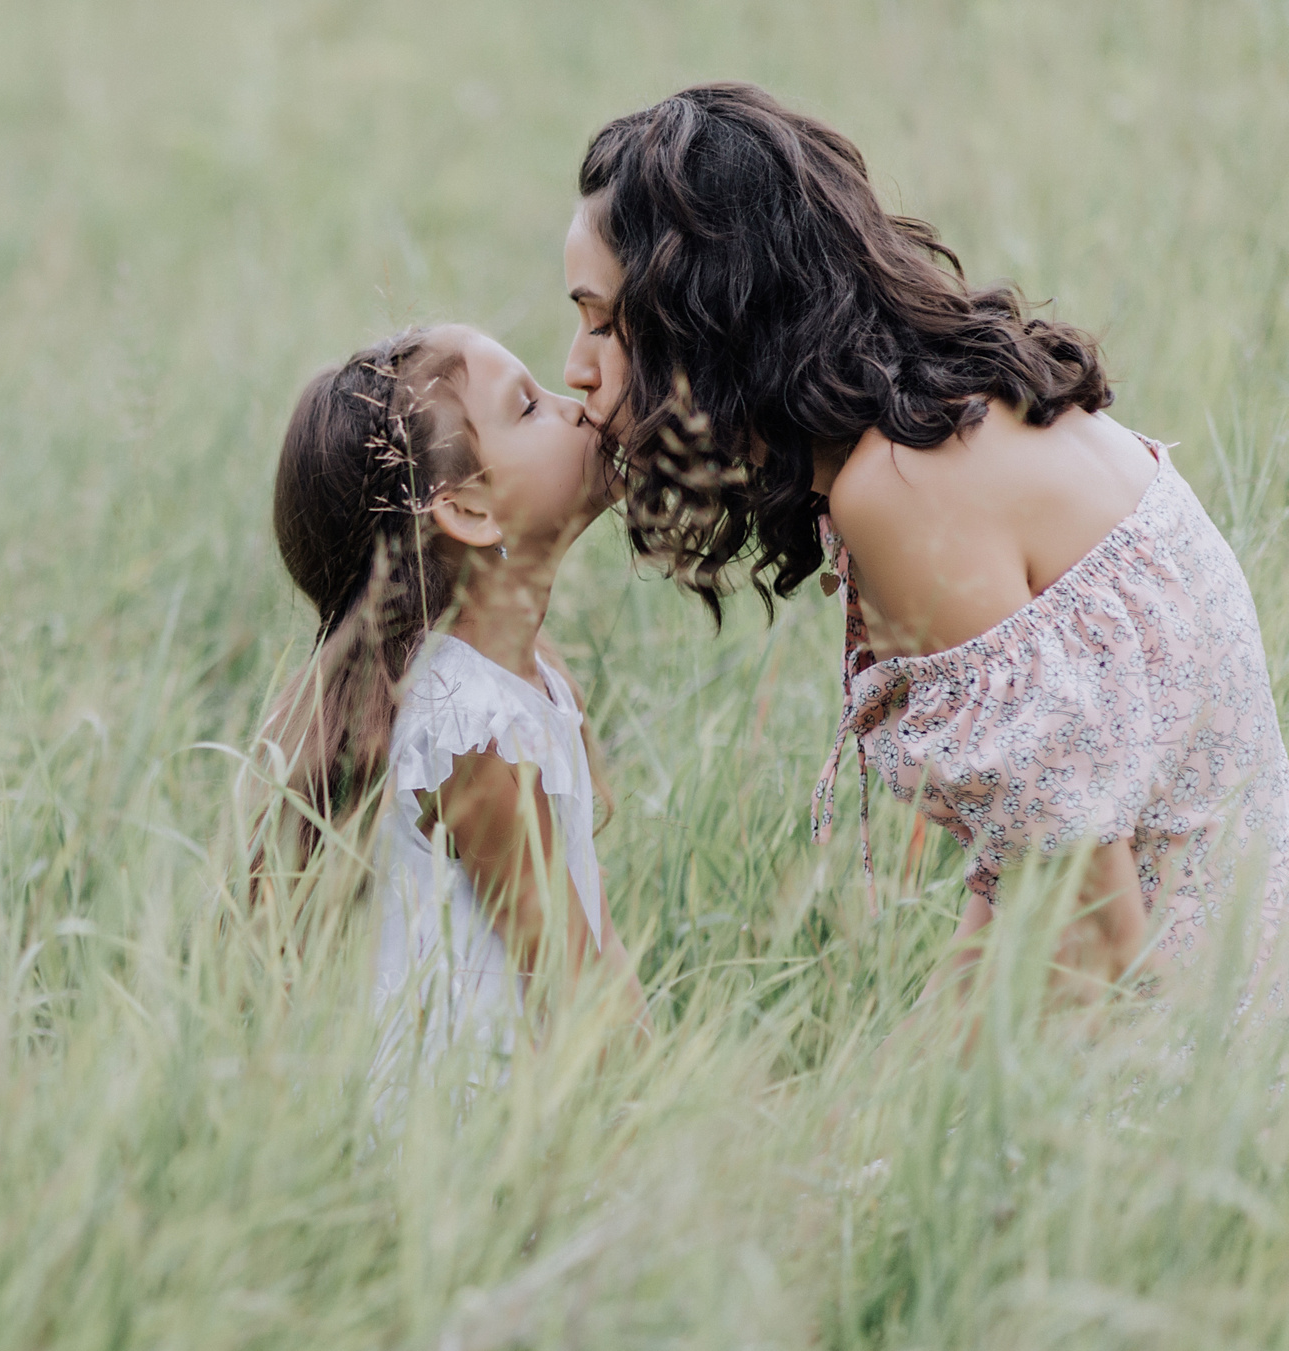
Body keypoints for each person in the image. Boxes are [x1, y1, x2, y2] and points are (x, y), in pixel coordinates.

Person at [563, 82, 1289, 997]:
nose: (575, 368)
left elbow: (1089, 945)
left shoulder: (907, 488)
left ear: (706, 316)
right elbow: (1036, 860)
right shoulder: (961, 421)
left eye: (602, 321)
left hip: (1188, 1038)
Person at [260, 323, 640, 1060]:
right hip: (470, 1142)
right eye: (528, 407)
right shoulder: (473, 728)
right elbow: (572, 987)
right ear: (468, 508)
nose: (575, 408)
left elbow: (597, 937)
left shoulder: (527, 682)